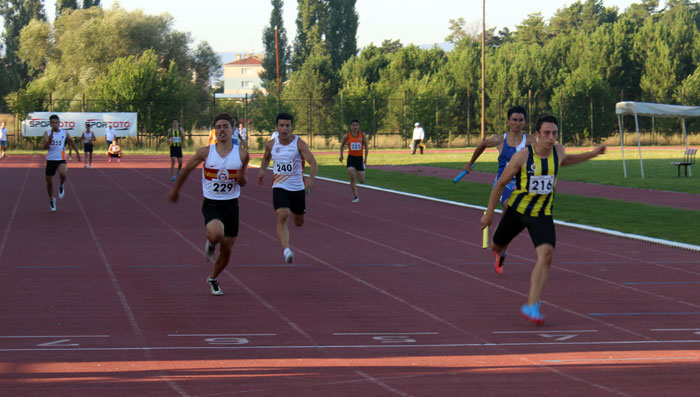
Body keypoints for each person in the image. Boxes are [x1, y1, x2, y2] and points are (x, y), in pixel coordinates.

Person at [480, 115, 606, 325]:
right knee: (496, 243)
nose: (551, 138)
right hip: (516, 211)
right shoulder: (522, 157)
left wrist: (593, 153)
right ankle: (500, 251)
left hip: (542, 215)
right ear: (536, 135)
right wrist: (489, 213)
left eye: (554, 133)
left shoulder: (558, 152)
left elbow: (569, 160)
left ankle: (532, 305)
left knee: (546, 255)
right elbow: (501, 184)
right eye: (546, 133)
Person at [168, 113, 249, 296]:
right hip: (212, 204)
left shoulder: (242, 154)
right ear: (214, 131)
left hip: (232, 206)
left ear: (232, 130)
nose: (222, 130)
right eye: (218, 127)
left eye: (225, 126)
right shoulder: (205, 152)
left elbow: (243, 183)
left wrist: (241, 177)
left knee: (227, 251)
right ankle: (211, 242)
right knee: (216, 234)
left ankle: (212, 278)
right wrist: (175, 190)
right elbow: (187, 170)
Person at [257, 113, 317, 263]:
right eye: (281, 126)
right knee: (282, 215)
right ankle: (286, 250)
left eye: (287, 125)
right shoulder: (271, 144)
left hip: (297, 188)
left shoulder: (299, 144)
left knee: (298, 222)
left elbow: (313, 162)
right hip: (280, 185)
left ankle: (293, 210)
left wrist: (310, 179)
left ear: (292, 127)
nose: (284, 129)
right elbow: (266, 158)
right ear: (277, 127)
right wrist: (262, 169)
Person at [465, 106, 536, 210]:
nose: (518, 123)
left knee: (516, 216)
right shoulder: (499, 140)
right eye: (514, 120)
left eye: (521, 120)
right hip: (504, 184)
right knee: (510, 208)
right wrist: (470, 163)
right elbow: (483, 145)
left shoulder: (531, 140)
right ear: (508, 122)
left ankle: (500, 226)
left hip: (524, 184)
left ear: (524, 122)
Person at [43, 114, 81, 212]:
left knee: (64, 173)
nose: (55, 124)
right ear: (50, 124)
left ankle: (61, 185)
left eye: (57, 122)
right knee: (49, 184)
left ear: (59, 123)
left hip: (61, 159)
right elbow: (44, 147)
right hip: (51, 160)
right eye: (53, 123)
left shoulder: (64, 133)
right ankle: (52, 199)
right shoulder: (47, 133)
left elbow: (71, 142)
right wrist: (49, 141)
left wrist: (77, 153)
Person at [339, 119, 369, 203]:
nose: (355, 127)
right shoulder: (347, 136)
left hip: (359, 159)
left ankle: (358, 174)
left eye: (356, 125)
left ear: (358, 126)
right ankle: (356, 196)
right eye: (353, 125)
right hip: (351, 158)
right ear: (351, 126)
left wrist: (365, 159)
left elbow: (366, 147)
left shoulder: (362, 135)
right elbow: (342, 146)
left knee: (362, 181)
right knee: (352, 176)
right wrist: (341, 155)